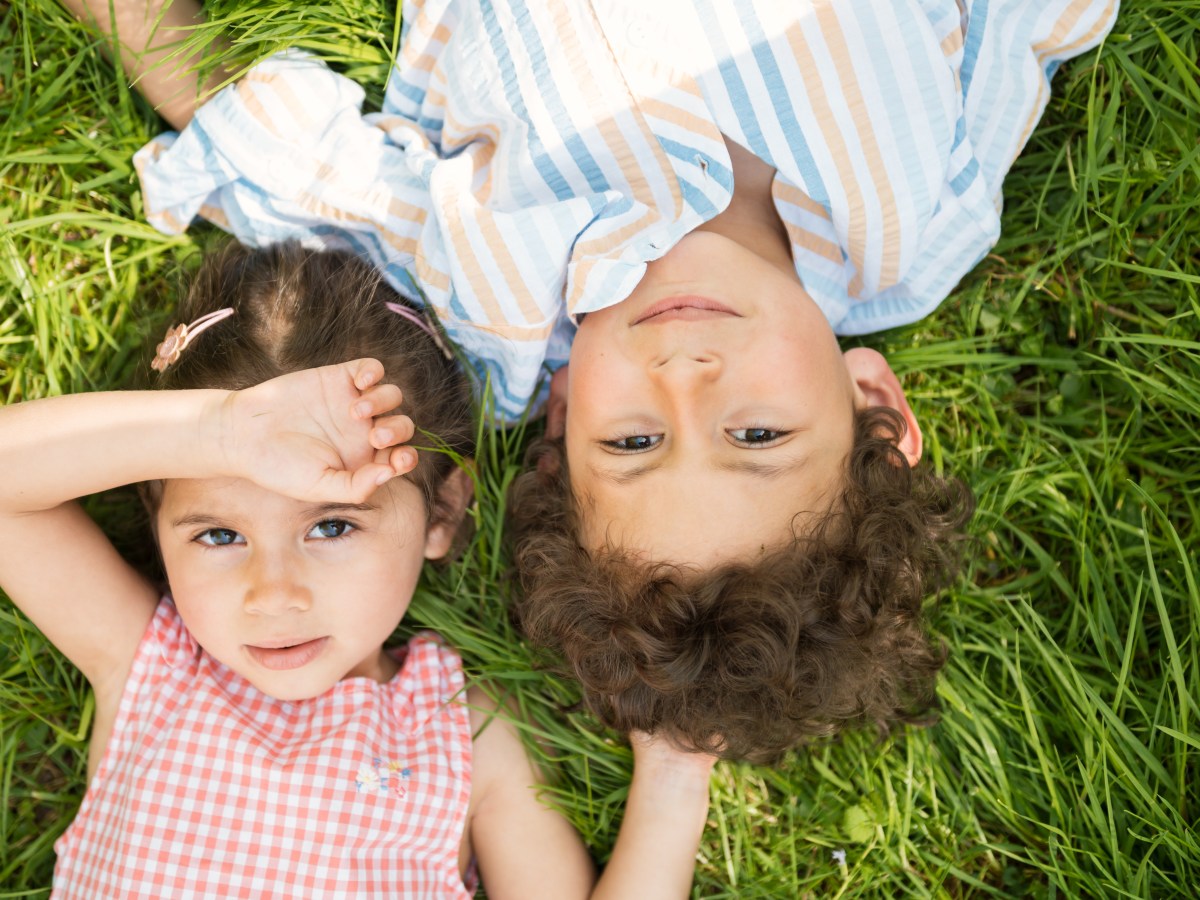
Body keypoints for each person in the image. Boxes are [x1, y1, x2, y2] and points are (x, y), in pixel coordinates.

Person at [64, 0, 1118, 761]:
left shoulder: (495, 287)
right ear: (874, 403)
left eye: (630, 443)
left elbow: (272, 162)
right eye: (758, 436)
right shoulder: (925, 226)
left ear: (561, 414)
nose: (684, 379)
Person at [0, 243, 715, 898]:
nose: (274, 594)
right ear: (157, 524)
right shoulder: (152, 668)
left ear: (440, 512)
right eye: (218, 534)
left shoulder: (465, 733)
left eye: (332, 524)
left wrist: (675, 778)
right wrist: (208, 433)